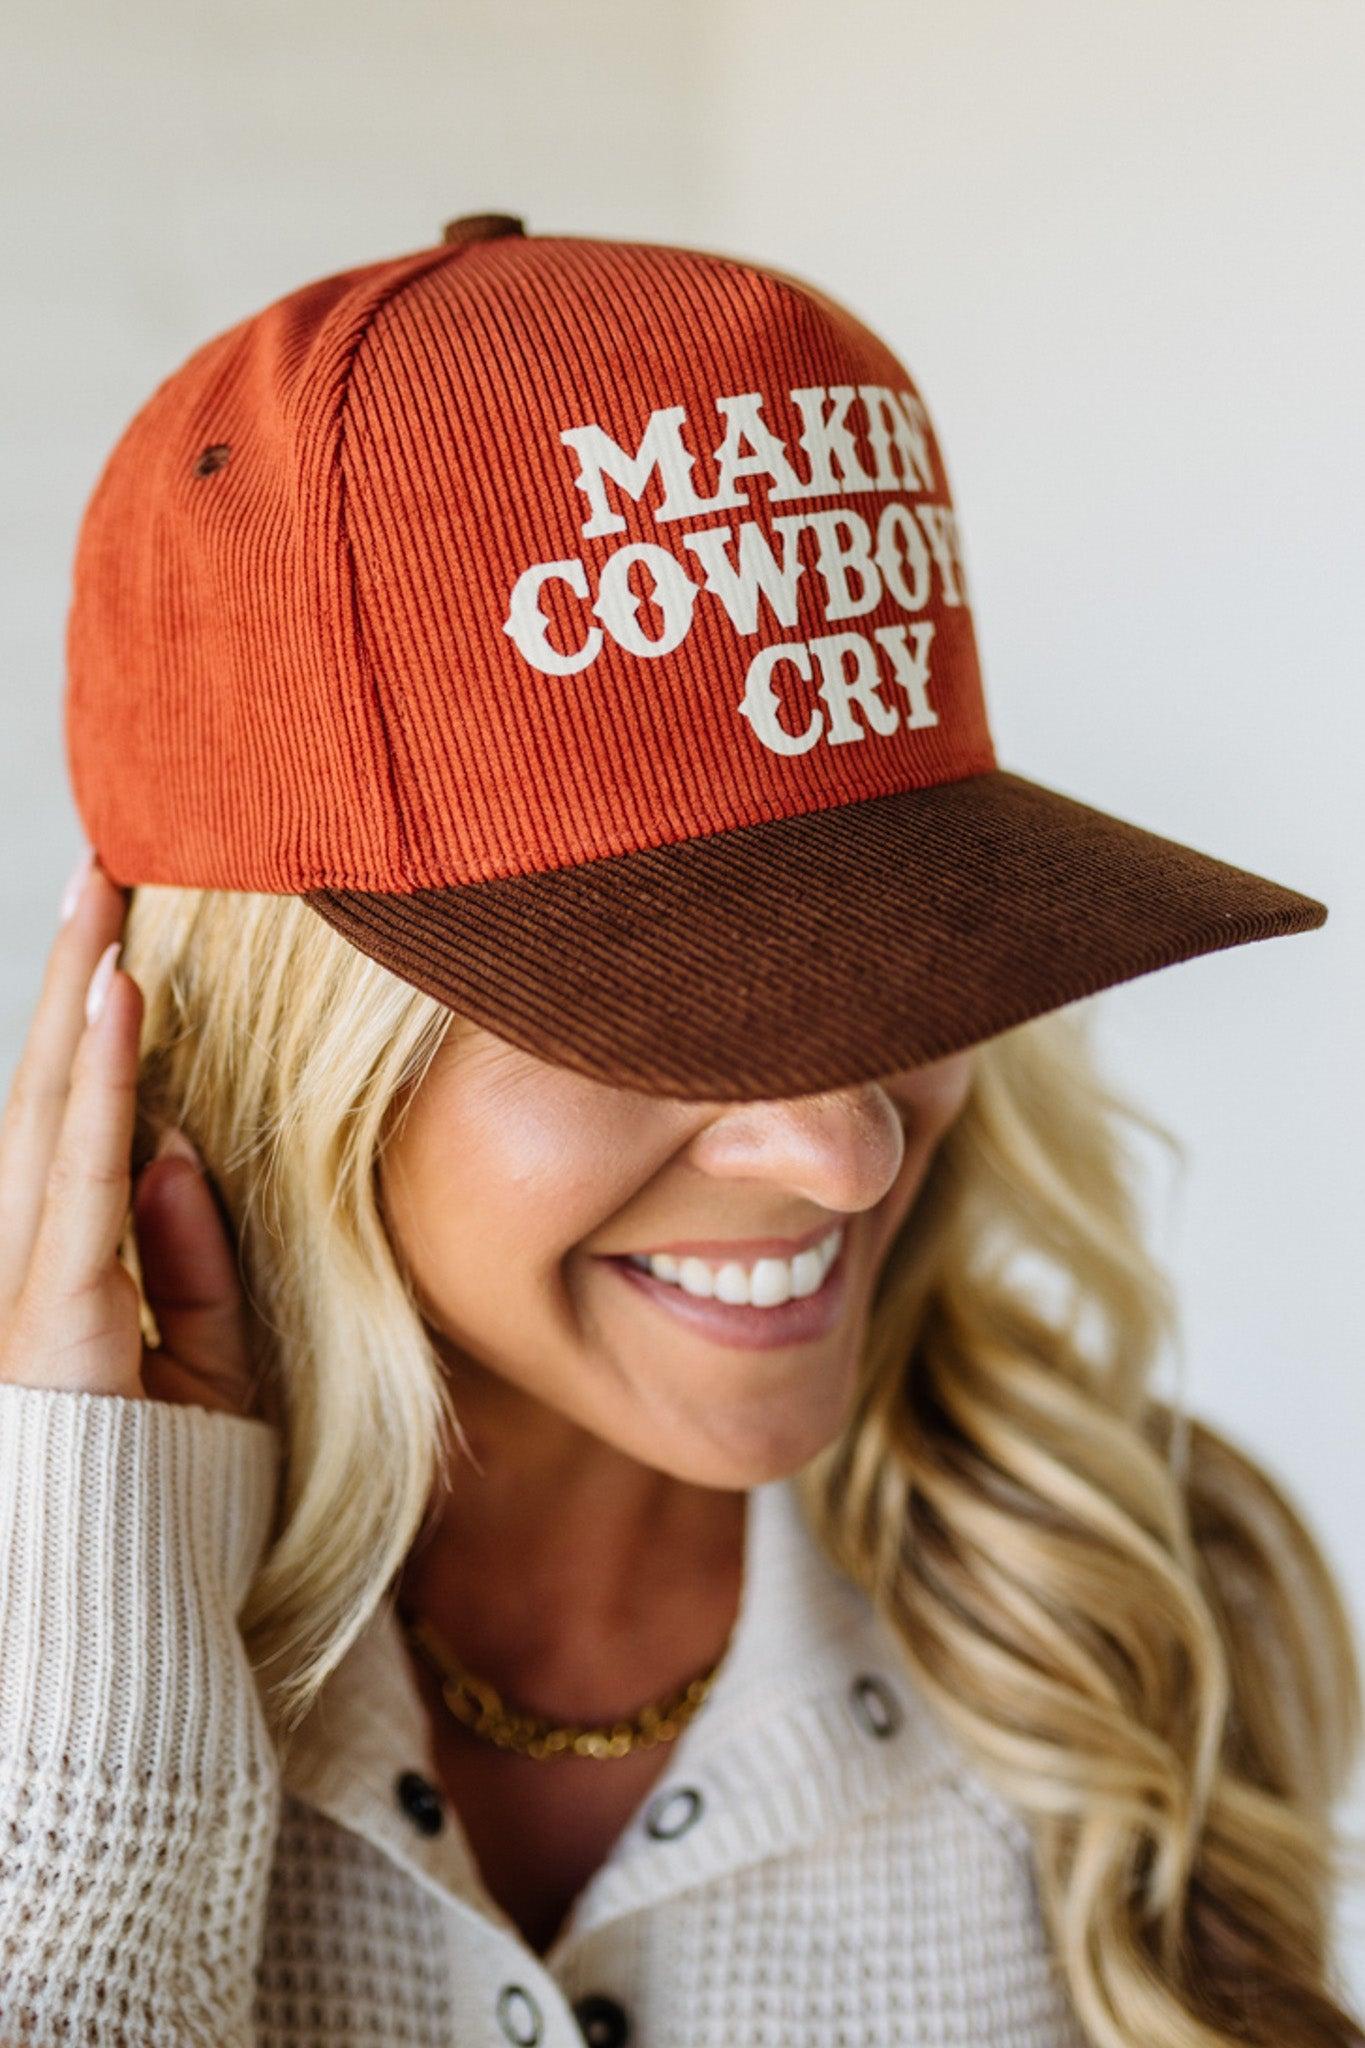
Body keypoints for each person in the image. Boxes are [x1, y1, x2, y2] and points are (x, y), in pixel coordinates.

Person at [0, 213, 1360, 2047]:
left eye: (902, 956)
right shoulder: (37, 1669)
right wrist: (94, 1705)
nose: (847, 1153)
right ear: (279, 1054)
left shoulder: (1149, 1595)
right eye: (654, 1008)